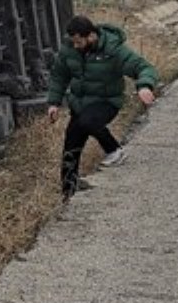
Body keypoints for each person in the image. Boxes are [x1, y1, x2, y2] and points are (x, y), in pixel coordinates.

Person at [47, 15, 158, 199]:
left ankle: (114, 151)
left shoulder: (113, 49)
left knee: (87, 121)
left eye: (79, 42)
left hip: (106, 102)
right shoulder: (69, 50)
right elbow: (59, 76)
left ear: (91, 36)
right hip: (80, 104)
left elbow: (144, 67)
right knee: (70, 151)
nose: (76, 46)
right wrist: (54, 103)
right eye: (73, 42)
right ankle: (68, 195)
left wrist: (144, 85)